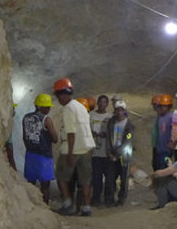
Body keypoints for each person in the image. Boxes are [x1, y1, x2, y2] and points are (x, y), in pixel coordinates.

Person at [54, 78, 95, 216]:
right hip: (86, 148)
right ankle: (86, 207)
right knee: (85, 181)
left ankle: (68, 203)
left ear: (62, 95)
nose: (59, 99)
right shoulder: (81, 107)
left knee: (61, 176)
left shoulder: (68, 108)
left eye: (58, 96)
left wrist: (71, 154)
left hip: (72, 149)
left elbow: (71, 132)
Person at [22, 94, 58, 204]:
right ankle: (45, 207)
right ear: (39, 106)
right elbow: (55, 139)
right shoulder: (47, 120)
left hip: (30, 155)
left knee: (30, 183)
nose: (48, 109)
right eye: (46, 107)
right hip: (44, 156)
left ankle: (30, 204)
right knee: (45, 185)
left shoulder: (26, 117)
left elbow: (24, 136)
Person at [106, 100, 134, 206]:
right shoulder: (111, 122)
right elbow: (108, 138)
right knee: (110, 177)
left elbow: (128, 140)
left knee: (123, 178)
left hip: (124, 155)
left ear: (124, 110)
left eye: (121, 110)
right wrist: (109, 152)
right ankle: (110, 198)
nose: (119, 112)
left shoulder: (129, 124)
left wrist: (118, 153)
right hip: (112, 153)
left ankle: (121, 199)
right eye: (118, 109)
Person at [89, 95, 112, 206]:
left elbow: (116, 133)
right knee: (96, 177)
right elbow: (86, 130)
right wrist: (91, 134)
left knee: (109, 177)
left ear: (107, 104)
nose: (102, 104)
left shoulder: (111, 117)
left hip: (107, 152)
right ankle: (96, 198)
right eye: (100, 102)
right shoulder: (91, 115)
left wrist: (107, 135)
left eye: (105, 102)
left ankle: (108, 198)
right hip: (95, 152)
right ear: (97, 103)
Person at [153, 93, 173, 170]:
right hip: (159, 149)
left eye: (165, 106)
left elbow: (176, 131)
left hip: (166, 150)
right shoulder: (160, 117)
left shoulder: (171, 117)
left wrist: (172, 142)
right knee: (157, 167)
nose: (163, 108)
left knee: (163, 169)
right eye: (162, 106)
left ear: (169, 106)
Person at [4, 103, 17, 171]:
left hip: (9, 143)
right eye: (13, 108)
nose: (14, 111)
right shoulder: (7, 120)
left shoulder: (9, 120)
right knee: (11, 159)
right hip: (8, 144)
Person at [150, 94, 161, 171]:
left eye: (154, 105)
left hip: (159, 146)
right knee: (155, 164)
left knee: (158, 165)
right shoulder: (158, 116)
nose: (153, 107)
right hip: (156, 145)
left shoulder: (162, 117)